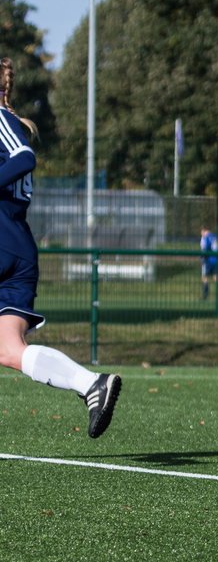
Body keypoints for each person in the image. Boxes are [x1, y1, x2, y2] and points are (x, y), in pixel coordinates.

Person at [0, 57, 123, 439]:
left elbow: (24, 157)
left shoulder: (1, 119)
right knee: (7, 349)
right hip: (18, 247)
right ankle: (92, 384)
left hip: (4, 242)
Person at [199, 227, 218, 300]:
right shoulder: (215, 236)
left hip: (208, 260)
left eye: (202, 232)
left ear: (205, 231)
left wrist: (202, 257)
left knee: (204, 277)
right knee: (216, 277)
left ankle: (205, 294)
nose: (202, 234)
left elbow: (205, 249)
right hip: (217, 259)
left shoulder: (206, 238)